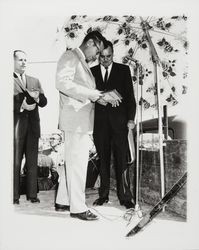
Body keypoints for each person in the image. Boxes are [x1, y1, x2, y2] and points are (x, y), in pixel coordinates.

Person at [55, 31, 107, 221]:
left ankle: (63, 200)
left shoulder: (81, 61)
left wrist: (97, 97)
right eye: (97, 51)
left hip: (78, 119)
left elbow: (78, 88)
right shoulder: (71, 56)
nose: (96, 57)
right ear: (91, 43)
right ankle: (78, 208)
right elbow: (61, 82)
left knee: (72, 162)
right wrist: (91, 94)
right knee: (77, 165)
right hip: (75, 120)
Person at [91, 40, 136, 209]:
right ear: (98, 56)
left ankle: (125, 197)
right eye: (102, 57)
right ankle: (103, 196)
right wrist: (99, 98)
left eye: (108, 56)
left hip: (120, 125)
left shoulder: (123, 70)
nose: (105, 60)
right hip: (100, 125)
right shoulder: (91, 72)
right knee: (103, 161)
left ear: (113, 54)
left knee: (122, 162)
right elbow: (89, 97)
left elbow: (130, 99)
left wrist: (131, 119)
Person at [13, 50, 47, 204]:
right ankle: (13, 196)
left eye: (25, 60)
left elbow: (44, 101)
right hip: (16, 128)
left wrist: (37, 97)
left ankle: (32, 195)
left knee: (32, 162)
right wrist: (21, 106)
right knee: (15, 162)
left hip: (33, 127)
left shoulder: (35, 80)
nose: (24, 62)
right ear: (12, 61)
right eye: (20, 60)